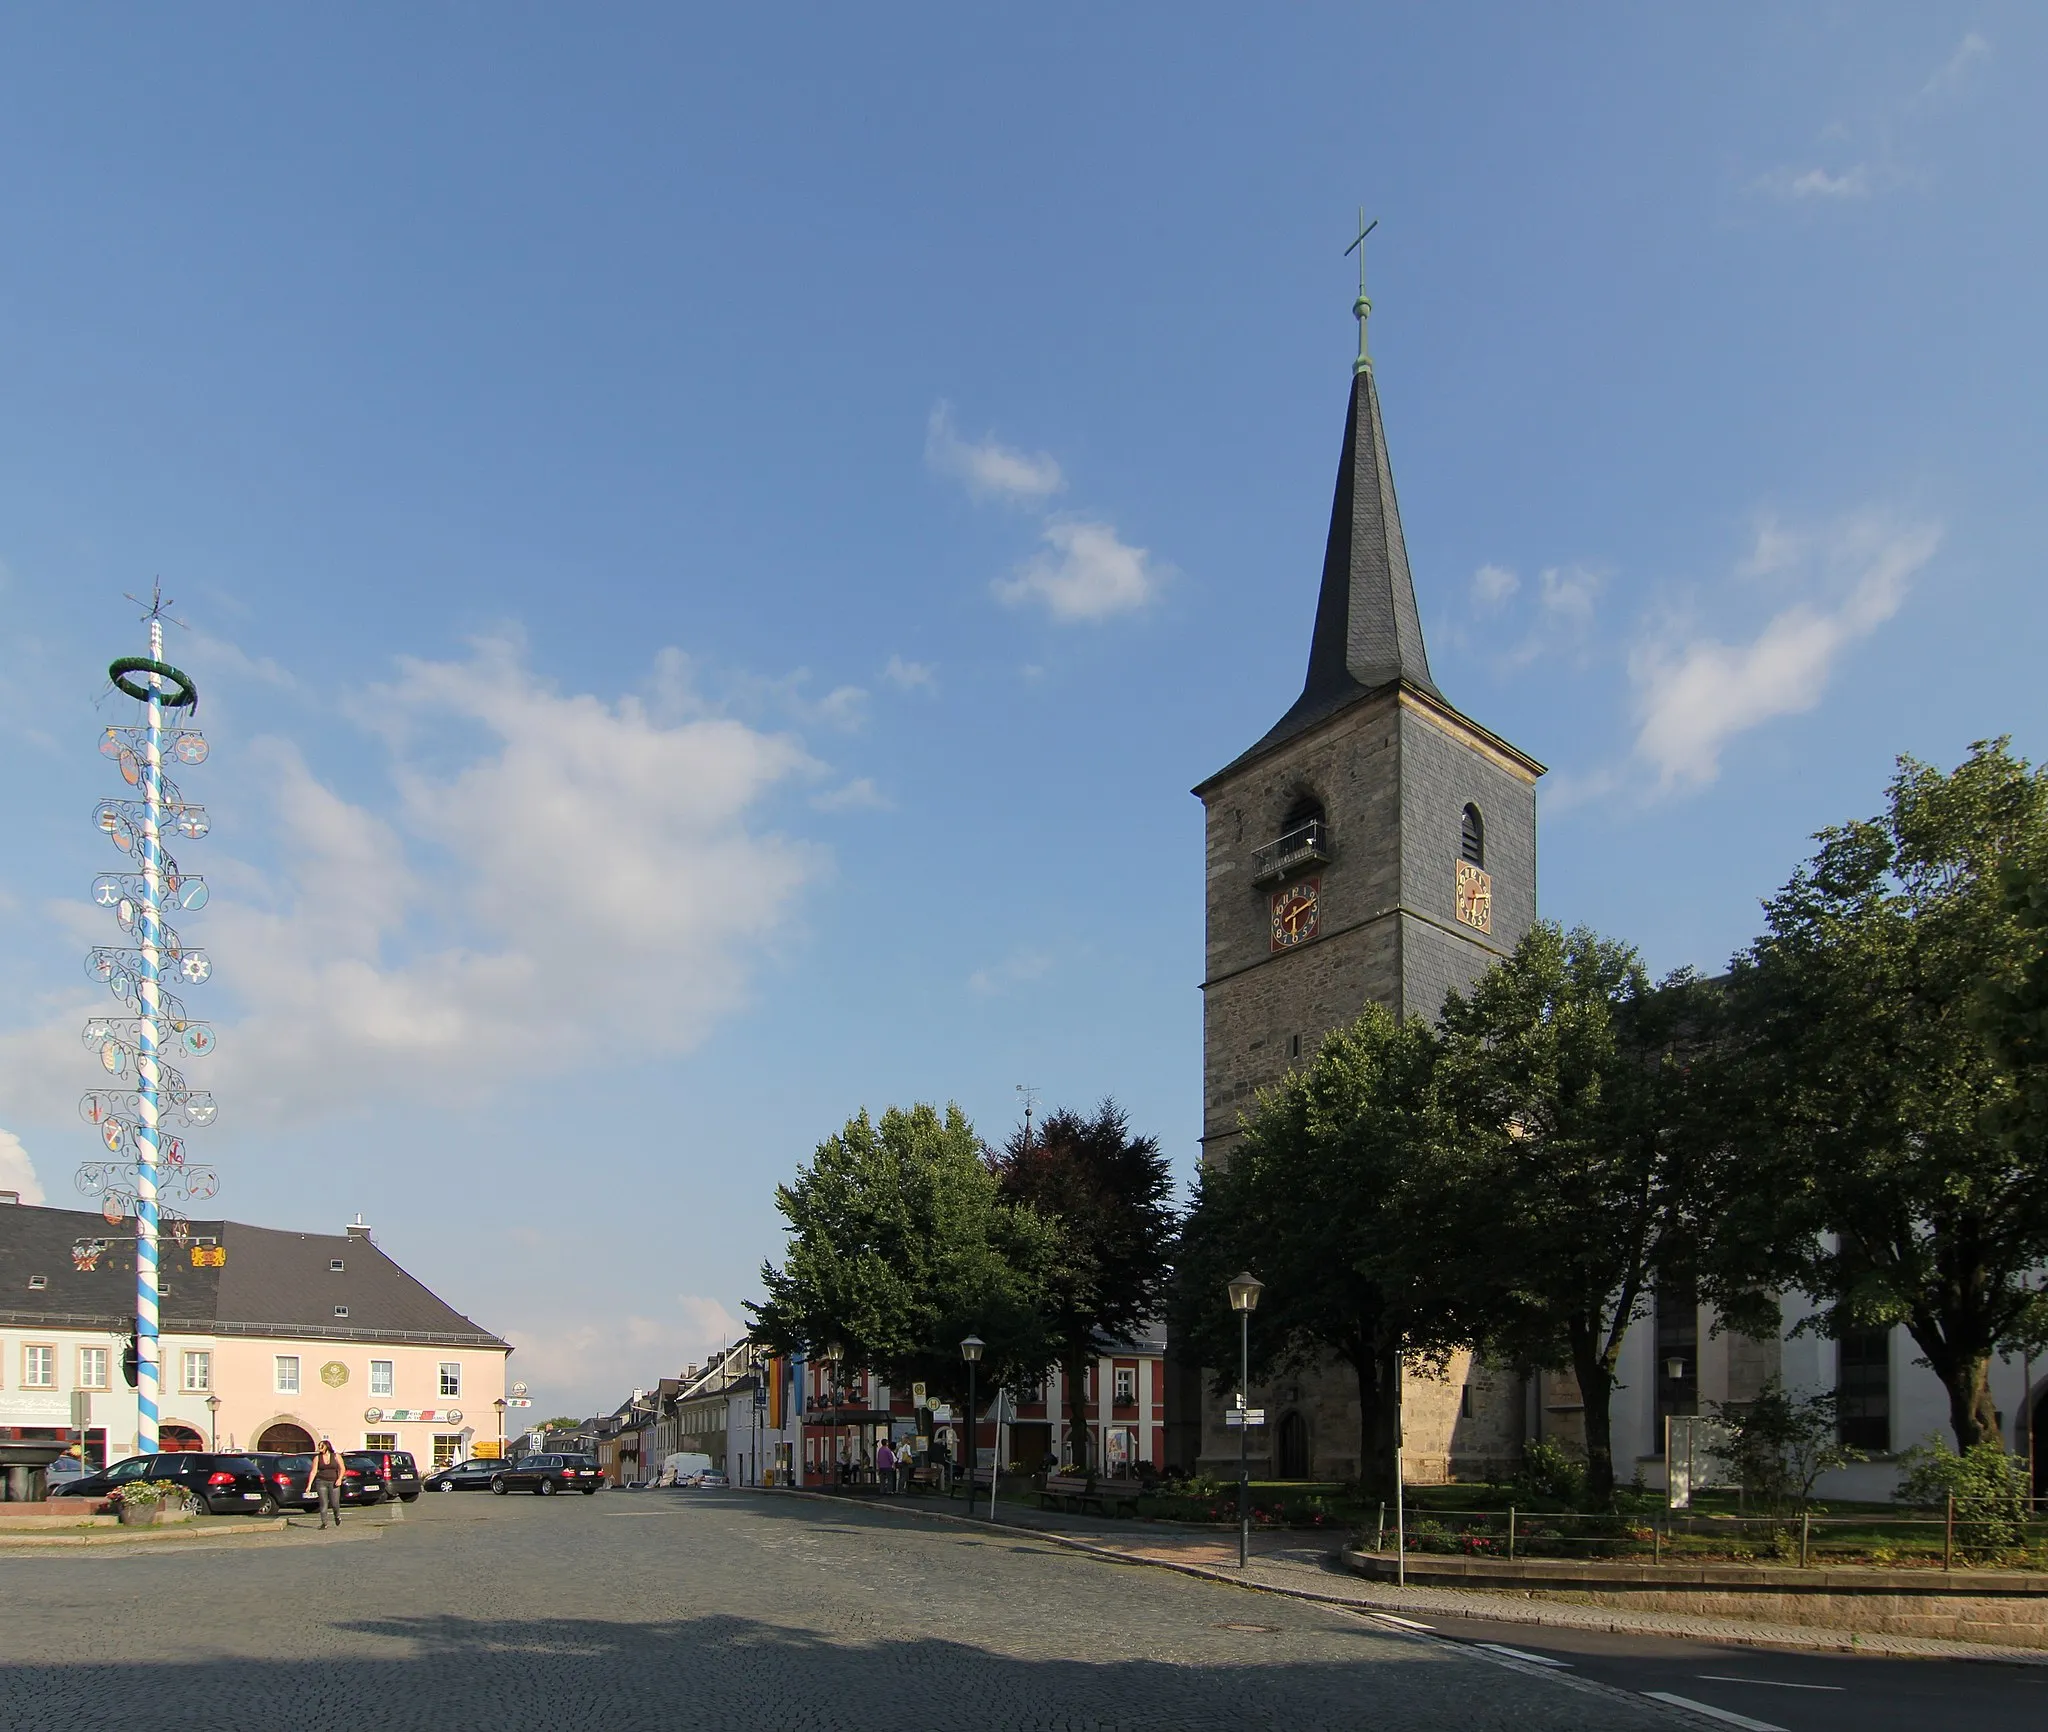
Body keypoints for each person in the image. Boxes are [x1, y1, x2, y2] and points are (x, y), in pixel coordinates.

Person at [307, 1439, 345, 1529]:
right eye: (319, 1446)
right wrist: (309, 1485)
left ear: (327, 1446)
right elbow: (313, 1471)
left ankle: (337, 1516)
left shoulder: (336, 1456)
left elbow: (342, 1468)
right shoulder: (317, 1458)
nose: (319, 1448)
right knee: (323, 1503)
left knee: (335, 1503)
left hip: (334, 1482)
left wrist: (339, 1479)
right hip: (321, 1482)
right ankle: (324, 1523)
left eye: (321, 1446)